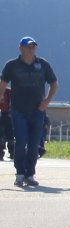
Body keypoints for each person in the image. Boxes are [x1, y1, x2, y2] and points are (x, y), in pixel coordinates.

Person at [0, 36, 59, 188]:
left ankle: (30, 174)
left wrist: (46, 101)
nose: (31, 49)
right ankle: (20, 173)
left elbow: (54, 83)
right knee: (21, 142)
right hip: (18, 110)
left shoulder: (42, 64)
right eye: (28, 47)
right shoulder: (12, 65)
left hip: (37, 110)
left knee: (34, 144)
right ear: (21, 48)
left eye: (33, 47)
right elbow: (3, 83)